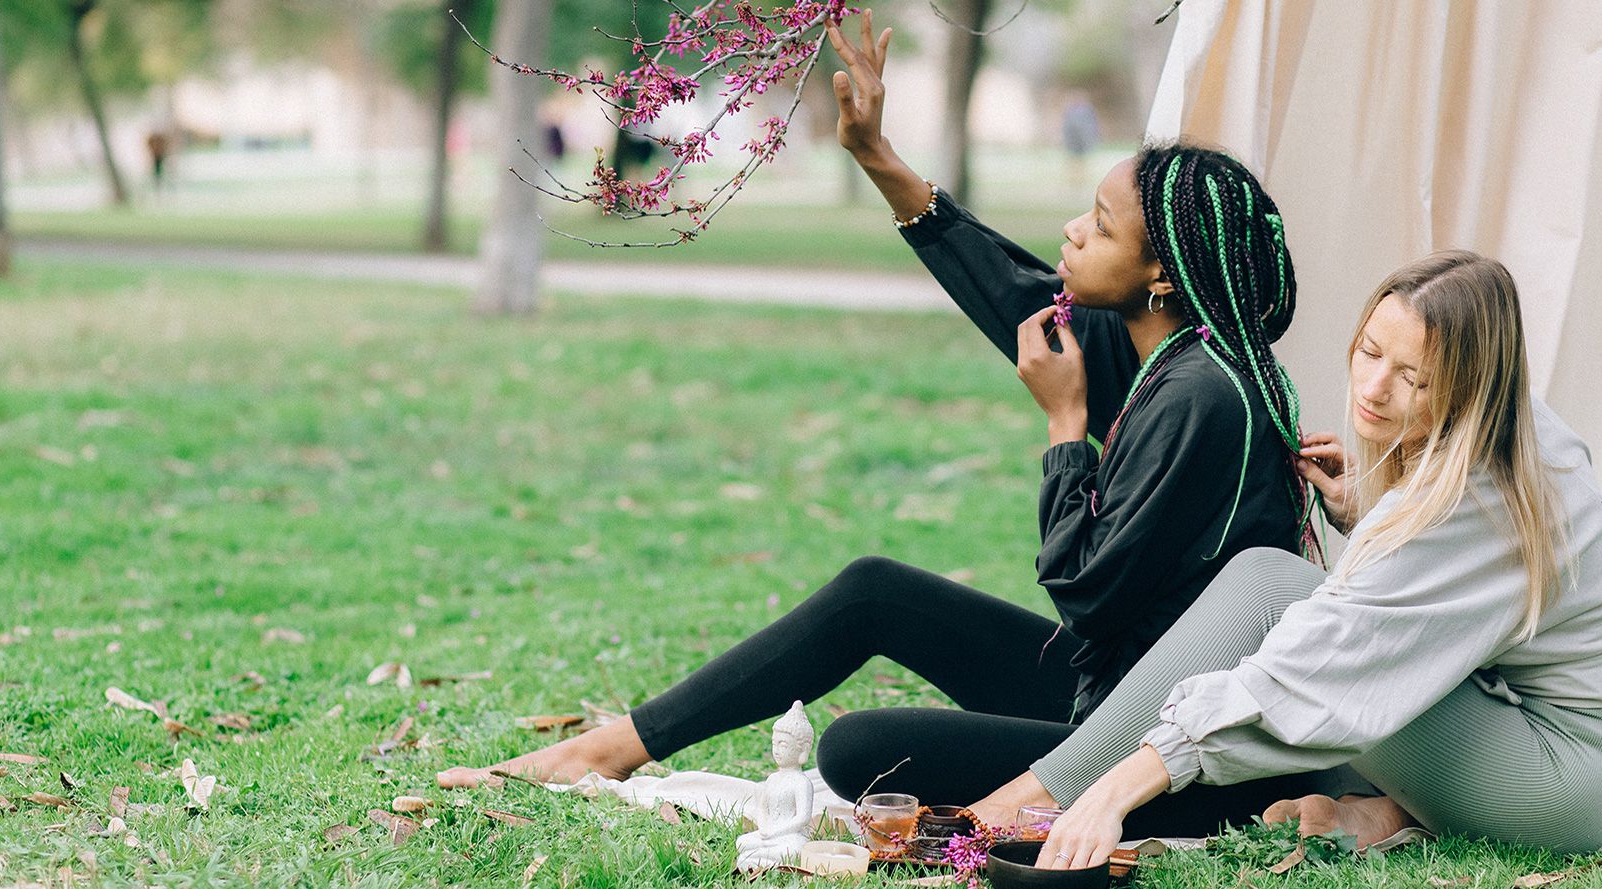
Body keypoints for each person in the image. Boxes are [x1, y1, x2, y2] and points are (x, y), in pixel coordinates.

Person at [435, 12, 1315, 831]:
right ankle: (608, 747)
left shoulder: (1202, 394)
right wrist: (876, 153)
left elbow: (1084, 591)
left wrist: (1065, 426)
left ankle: (607, 750)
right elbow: (1012, 295)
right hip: (1110, 687)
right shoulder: (1178, 349)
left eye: (1100, 224)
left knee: (860, 752)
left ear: (1160, 269)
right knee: (875, 591)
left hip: (1166, 751)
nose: (1071, 231)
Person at [995, 250, 1602, 869]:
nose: (1375, 388)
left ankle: (1037, 797)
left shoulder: (1478, 498)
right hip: (1502, 724)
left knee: (1271, 586)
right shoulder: (1514, 422)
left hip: (1549, 784)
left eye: (1413, 378)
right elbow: (1470, 590)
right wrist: (1370, 513)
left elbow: (1314, 670)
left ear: (1471, 384)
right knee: (1280, 591)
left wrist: (1113, 793)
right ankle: (1391, 813)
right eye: (1370, 351)